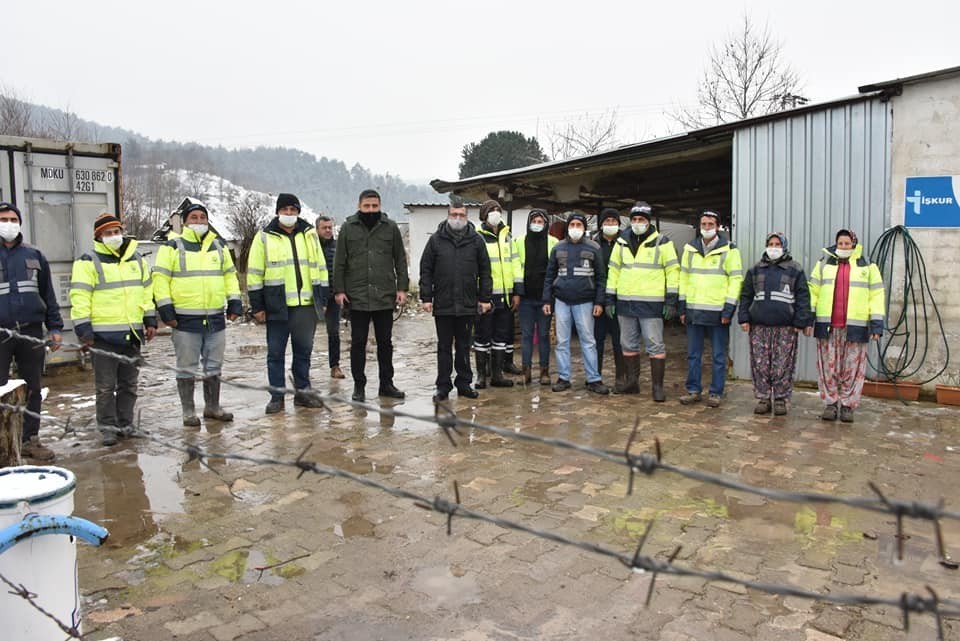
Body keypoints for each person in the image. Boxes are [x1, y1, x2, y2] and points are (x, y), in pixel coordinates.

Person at [153, 199, 242, 425]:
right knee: (187, 367)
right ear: (184, 222)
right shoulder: (172, 247)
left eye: (203, 218)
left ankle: (213, 407)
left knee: (214, 365)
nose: (199, 221)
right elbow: (160, 279)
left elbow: (230, 276)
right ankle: (188, 412)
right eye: (194, 217)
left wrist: (234, 302)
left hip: (215, 318)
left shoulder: (219, 247)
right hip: (184, 319)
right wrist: (166, 309)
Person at [70, 214, 157, 445]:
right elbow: (79, 297)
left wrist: (150, 320)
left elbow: (146, 292)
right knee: (105, 387)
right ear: (99, 237)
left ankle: (126, 424)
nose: (114, 236)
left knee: (129, 385)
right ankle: (108, 427)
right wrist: (83, 329)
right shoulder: (87, 262)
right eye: (108, 233)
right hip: (103, 337)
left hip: (132, 335)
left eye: (116, 231)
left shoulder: (137, 260)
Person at [247, 193, 329, 414]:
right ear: (278, 212)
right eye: (285, 210)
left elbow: (321, 268)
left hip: (305, 306)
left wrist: (322, 299)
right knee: (275, 354)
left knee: (303, 352)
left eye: (293, 210)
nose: (289, 214)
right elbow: (254, 274)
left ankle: (303, 393)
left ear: (298, 212)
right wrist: (257, 307)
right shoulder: (264, 237)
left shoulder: (310, 235)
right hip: (277, 306)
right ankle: (277, 397)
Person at [0, 202, 63, 461]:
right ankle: (3, 444)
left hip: (31, 331)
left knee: (33, 387)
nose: (8, 224)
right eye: (3, 219)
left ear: (20, 223)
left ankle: (29, 439)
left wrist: (55, 327)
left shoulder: (35, 255)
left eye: (13, 219)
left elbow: (48, 294)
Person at [333, 189, 408, 402]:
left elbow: (400, 259)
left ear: (380, 206)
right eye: (367, 206)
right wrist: (339, 290)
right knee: (358, 343)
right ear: (359, 206)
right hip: (356, 296)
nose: (371, 210)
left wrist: (401, 288)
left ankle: (386, 384)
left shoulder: (390, 227)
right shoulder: (348, 228)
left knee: (385, 343)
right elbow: (339, 262)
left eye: (375, 206)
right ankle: (359, 386)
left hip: (384, 294)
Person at [419, 197, 492, 400]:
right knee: (444, 347)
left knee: (464, 346)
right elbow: (426, 269)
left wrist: (484, 298)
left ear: (467, 217)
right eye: (454, 215)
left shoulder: (476, 240)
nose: (457, 218)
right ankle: (443, 386)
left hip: (468, 303)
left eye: (461, 215)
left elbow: (485, 271)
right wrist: (426, 297)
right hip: (443, 302)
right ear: (448, 215)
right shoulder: (436, 240)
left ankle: (464, 383)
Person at [605, 202, 679, 400]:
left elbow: (673, 271)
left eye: (641, 219)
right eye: (635, 219)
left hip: (651, 305)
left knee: (655, 345)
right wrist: (609, 298)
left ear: (648, 221)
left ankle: (657, 388)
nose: (638, 223)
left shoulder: (662, 242)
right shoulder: (621, 242)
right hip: (625, 303)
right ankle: (632, 383)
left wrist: (671, 301)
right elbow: (613, 271)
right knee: (628, 344)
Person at [809, 229, 884, 423]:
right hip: (828, 327)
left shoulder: (867, 265)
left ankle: (848, 406)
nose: (843, 247)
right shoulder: (824, 263)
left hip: (855, 328)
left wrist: (876, 324)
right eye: (840, 243)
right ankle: (831, 404)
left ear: (854, 244)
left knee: (852, 369)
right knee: (828, 368)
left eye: (847, 243)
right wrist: (809, 318)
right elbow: (813, 291)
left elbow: (876, 295)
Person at [738, 232, 813, 416]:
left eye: (777, 244)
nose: (773, 247)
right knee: (760, 364)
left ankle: (780, 398)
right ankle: (763, 398)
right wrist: (744, 318)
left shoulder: (795, 269)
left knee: (782, 365)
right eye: (770, 244)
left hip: (785, 327)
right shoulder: (756, 269)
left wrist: (801, 321)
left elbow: (803, 297)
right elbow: (746, 295)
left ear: (784, 247)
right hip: (759, 327)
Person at [678, 210, 743, 407]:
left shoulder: (730, 250)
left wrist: (728, 309)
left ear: (718, 226)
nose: (706, 228)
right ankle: (693, 390)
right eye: (703, 224)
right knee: (693, 355)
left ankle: (716, 392)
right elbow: (684, 278)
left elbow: (736, 280)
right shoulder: (690, 249)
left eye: (710, 224)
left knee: (718, 356)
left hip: (718, 312)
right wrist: (682, 306)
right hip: (694, 310)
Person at [543, 212, 609, 394]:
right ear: (567, 227)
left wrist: (599, 302)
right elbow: (549, 275)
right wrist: (547, 299)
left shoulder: (594, 247)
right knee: (562, 342)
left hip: (585, 302)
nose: (575, 228)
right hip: (562, 301)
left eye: (578, 225)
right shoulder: (558, 248)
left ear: (584, 227)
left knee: (588, 341)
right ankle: (563, 378)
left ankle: (593, 379)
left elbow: (601, 278)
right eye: (572, 225)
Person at [472, 200, 515, 389]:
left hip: (505, 296)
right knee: (482, 335)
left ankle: (497, 375)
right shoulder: (477, 237)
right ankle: (481, 376)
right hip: (486, 297)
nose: (496, 213)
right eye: (491, 210)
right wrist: (480, 295)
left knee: (501, 336)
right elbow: (474, 268)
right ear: (484, 214)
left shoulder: (507, 236)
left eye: (498, 210)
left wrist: (516, 291)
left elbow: (515, 264)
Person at [511, 208, 557, 385]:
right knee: (527, 335)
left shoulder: (553, 242)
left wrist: (550, 297)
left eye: (540, 222)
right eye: (534, 221)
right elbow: (516, 267)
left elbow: (555, 270)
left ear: (546, 224)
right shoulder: (519, 241)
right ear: (528, 223)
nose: (537, 225)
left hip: (545, 298)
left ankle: (544, 372)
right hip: (526, 298)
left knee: (544, 335)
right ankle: (526, 372)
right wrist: (517, 292)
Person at [592, 208, 625, 389]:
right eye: (607, 221)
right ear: (601, 224)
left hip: (619, 299)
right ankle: (595, 376)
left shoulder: (625, 242)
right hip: (597, 298)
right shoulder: (594, 243)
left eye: (613, 221)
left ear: (619, 224)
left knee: (619, 340)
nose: (610, 224)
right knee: (597, 340)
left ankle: (621, 377)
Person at [316, 215, 345, 380]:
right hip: (314, 296)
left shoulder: (338, 247)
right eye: (324, 228)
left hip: (333, 296)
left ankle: (335, 366)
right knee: (306, 333)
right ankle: (302, 368)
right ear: (317, 229)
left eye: (330, 227)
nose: (327, 230)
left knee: (333, 332)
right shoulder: (311, 247)